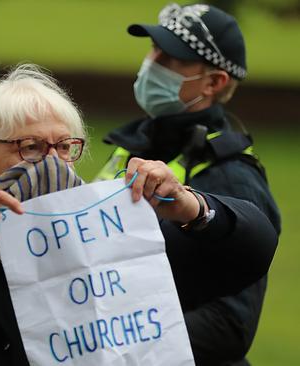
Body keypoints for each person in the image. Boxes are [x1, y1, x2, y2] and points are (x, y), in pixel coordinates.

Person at [0, 64, 278, 365]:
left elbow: (252, 252)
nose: (50, 163)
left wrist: (190, 206)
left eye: (64, 147)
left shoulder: (112, 231)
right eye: (29, 147)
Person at [94, 4, 281, 365]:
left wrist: (116, 347)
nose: (151, 62)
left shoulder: (232, 174)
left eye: (170, 57)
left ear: (213, 82)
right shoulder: (135, 144)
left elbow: (230, 325)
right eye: (154, 49)